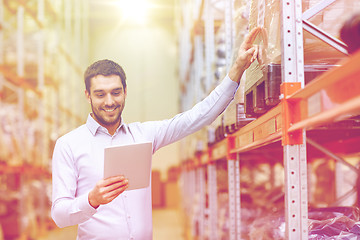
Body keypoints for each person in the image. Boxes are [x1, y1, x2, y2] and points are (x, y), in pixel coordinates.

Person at [51, 27, 261, 240]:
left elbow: (198, 116)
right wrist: (91, 199)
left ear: (125, 91)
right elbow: (59, 214)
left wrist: (237, 69)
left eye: (116, 92)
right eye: (99, 94)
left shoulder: (143, 135)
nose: (109, 101)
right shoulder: (69, 144)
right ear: (87, 95)